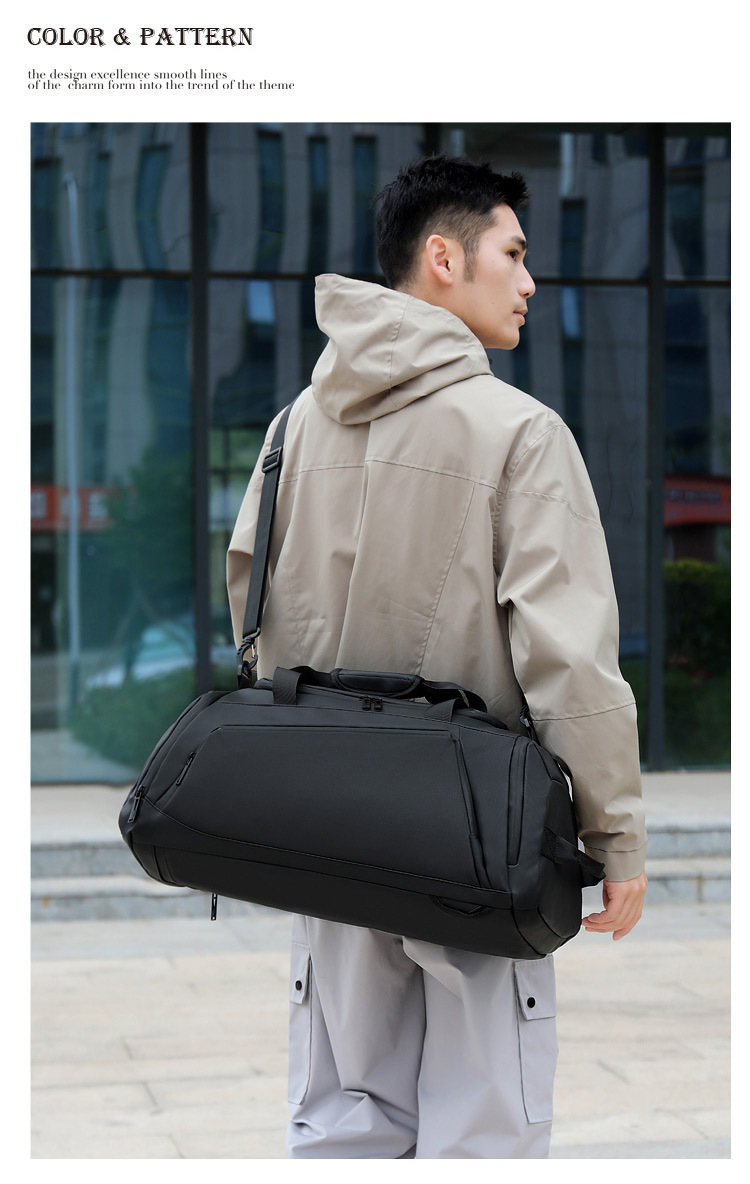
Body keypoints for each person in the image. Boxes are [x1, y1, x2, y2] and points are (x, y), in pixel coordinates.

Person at [227, 153, 648, 1159]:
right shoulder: (521, 433)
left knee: (343, 1123)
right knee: (483, 1132)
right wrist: (616, 836)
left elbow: (251, 606)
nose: (530, 281)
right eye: (514, 253)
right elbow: (570, 661)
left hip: (325, 823)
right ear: (444, 259)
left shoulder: (293, 426)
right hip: (474, 836)